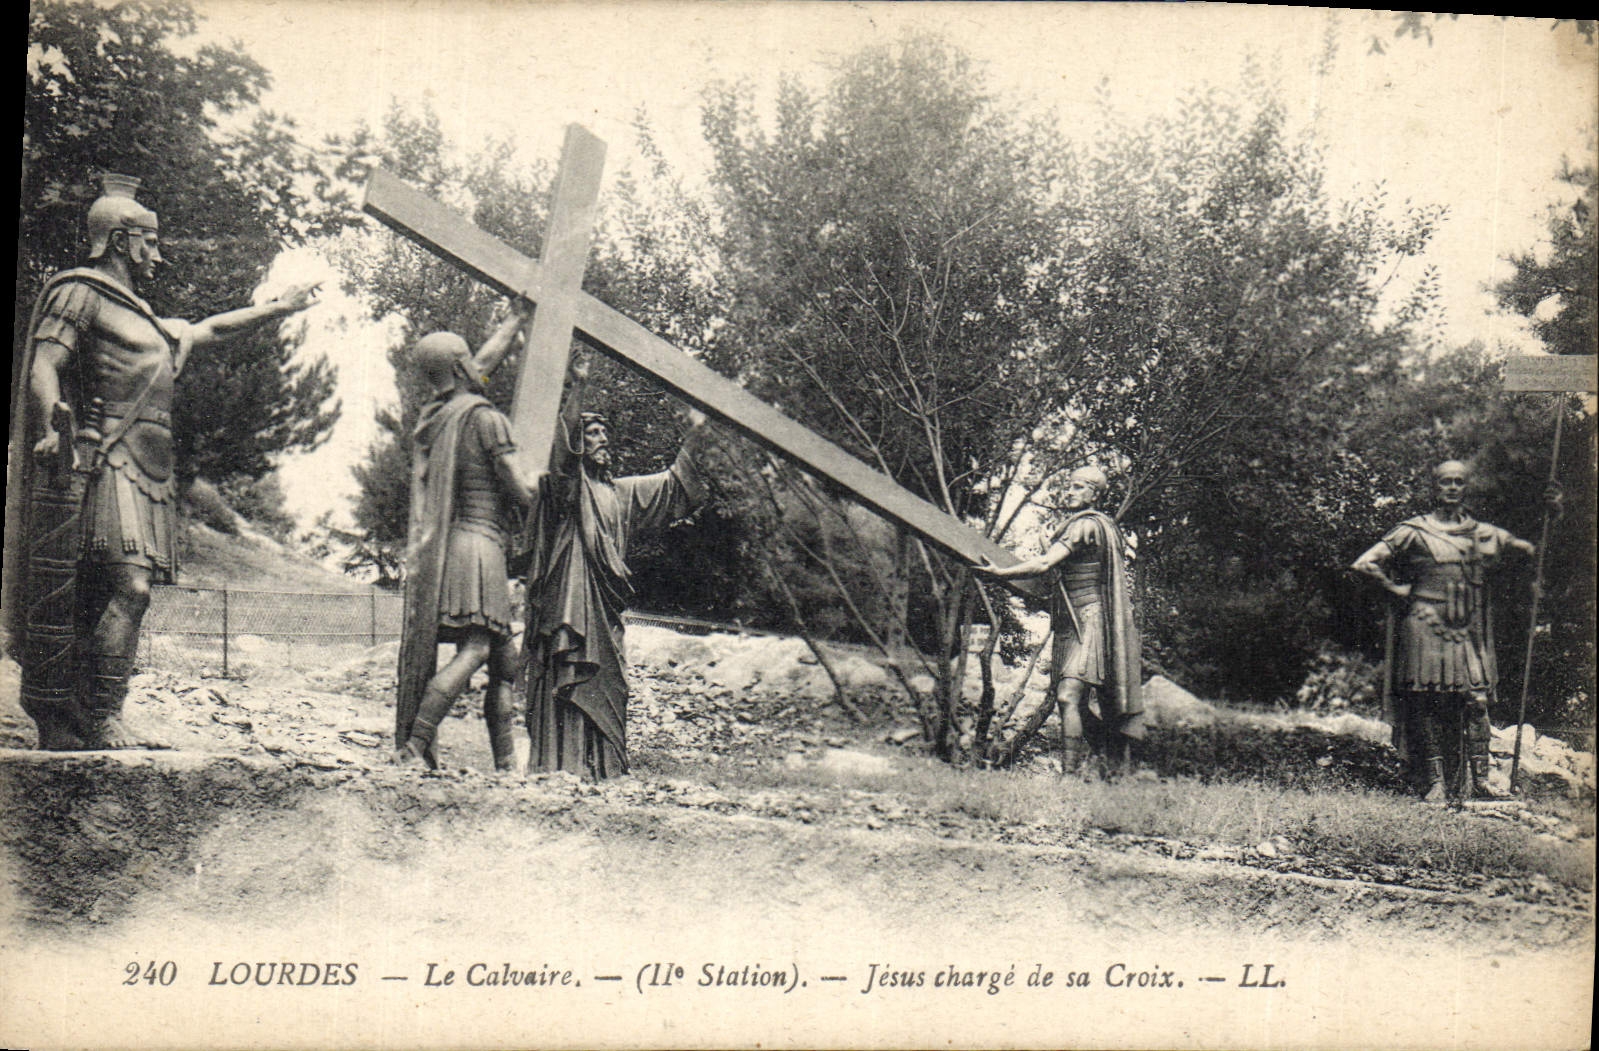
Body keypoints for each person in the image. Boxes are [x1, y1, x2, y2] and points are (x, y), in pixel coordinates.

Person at [3, 173, 317, 750]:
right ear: (121, 241)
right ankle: (99, 716)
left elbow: (209, 329)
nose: (158, 254)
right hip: (107, 460)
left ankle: (77, 718)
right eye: (149, 241)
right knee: (132, 587)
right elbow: (44, 364)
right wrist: (52, 420)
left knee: (103, 594)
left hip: (151, 470)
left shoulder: (145, 318)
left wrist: (278, 309)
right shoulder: (82, 292)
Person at [520, 354, 709, 780]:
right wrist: (579, 387)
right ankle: (563, 765)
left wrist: (696, 434)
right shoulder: (568, 490)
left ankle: (604, 767)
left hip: (605, 611)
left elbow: (672, 485)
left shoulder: (620, 494)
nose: (602, 438)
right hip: (571, 605)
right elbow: (562, 453)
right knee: (570, 672)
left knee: (611, 681)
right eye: (593, 432)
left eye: (605, 432)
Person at [394, 303, 535, 771]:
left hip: (451, 547)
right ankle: (415, 744)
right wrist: (552, 497)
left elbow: (478, 366)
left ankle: (506, 767)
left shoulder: (435, 416)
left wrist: (515, 320)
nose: (478, 363)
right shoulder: (487, 417)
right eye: (469, 358)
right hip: (481, 545)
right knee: (477, 648)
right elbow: (518, 487)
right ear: (459, 366)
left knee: (503, 659)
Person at [1352, 460, 1536, 802]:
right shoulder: (1413, 530)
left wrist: (1552, 514)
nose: (1452, 487)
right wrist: (1396, 589)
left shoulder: (1481, 533)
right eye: (1444, 482)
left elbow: (1527, 550)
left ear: (1466, 488)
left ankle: (1480, 782)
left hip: (1465, 625)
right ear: (1433, 487)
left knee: (1477, 699)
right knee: (1425, 702)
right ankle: (1435, 782)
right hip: (1424, 621)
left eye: (1458, 482)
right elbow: (1365, 563)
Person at [976, 466, 1143, 774]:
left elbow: (1043, 563)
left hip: (1089, 620)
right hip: (1071, 619)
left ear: (1095, 494)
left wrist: (1001, 573)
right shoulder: (1087, 526)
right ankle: (1109, 761)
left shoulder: (1086, 526)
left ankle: (1070, 776)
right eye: (1071, 486)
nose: (1070, 492)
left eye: (1079, 487)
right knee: (1073, 701)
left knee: (1068, 696)